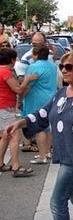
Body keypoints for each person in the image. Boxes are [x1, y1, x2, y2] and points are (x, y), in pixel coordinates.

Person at [5, 50, 73, 219]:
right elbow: (44, 113)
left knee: (57, 202)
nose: (63, 70)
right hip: (65, 154)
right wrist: (21, 122)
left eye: (69, 67)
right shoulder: (62, 93)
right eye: (62, 66)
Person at [20, 46, 57, 165]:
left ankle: (42, 155)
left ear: (35, 55)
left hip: (36, 98)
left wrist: (21, 98)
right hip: (50, 97)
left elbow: (28, 86)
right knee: (48, 126)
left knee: (38, 126)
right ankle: (47, 151)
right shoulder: (52, 66)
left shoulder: (34, 67)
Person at [0, 48, 31, 177]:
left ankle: (0, 162)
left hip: (3, 107)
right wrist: (27, 80)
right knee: (14, 135)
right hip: (5, 106)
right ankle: (16, 166)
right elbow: (17, 89)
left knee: (5, 135)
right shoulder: (5, 72)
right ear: (12, 60)